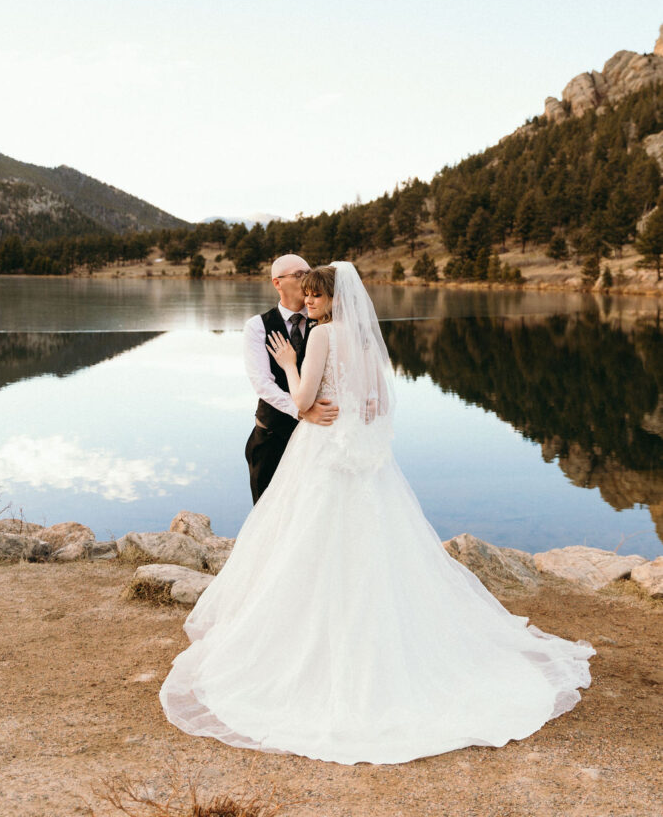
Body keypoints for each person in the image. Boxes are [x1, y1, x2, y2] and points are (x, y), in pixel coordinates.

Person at [160, 262, 596, 765]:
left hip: (322, 451)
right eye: (306, 294)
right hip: (363, 460)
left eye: (316, 295)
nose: (310, 302)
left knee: (307, 539)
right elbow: (378, 404)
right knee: (373, 541)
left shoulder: (321, 336)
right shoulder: (366, 342)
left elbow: (302, 399)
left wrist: (291, 366)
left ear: (329, 298)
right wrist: (353, 420)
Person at [242, 253, 339, 504]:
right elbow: (262, 383)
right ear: (277, 283)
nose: (307, 278)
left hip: (318, 440)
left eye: (308, 271)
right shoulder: (258, 326)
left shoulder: (328, 322)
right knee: (268, 516)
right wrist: (301, 411)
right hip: (272, 438)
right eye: (298, 275)